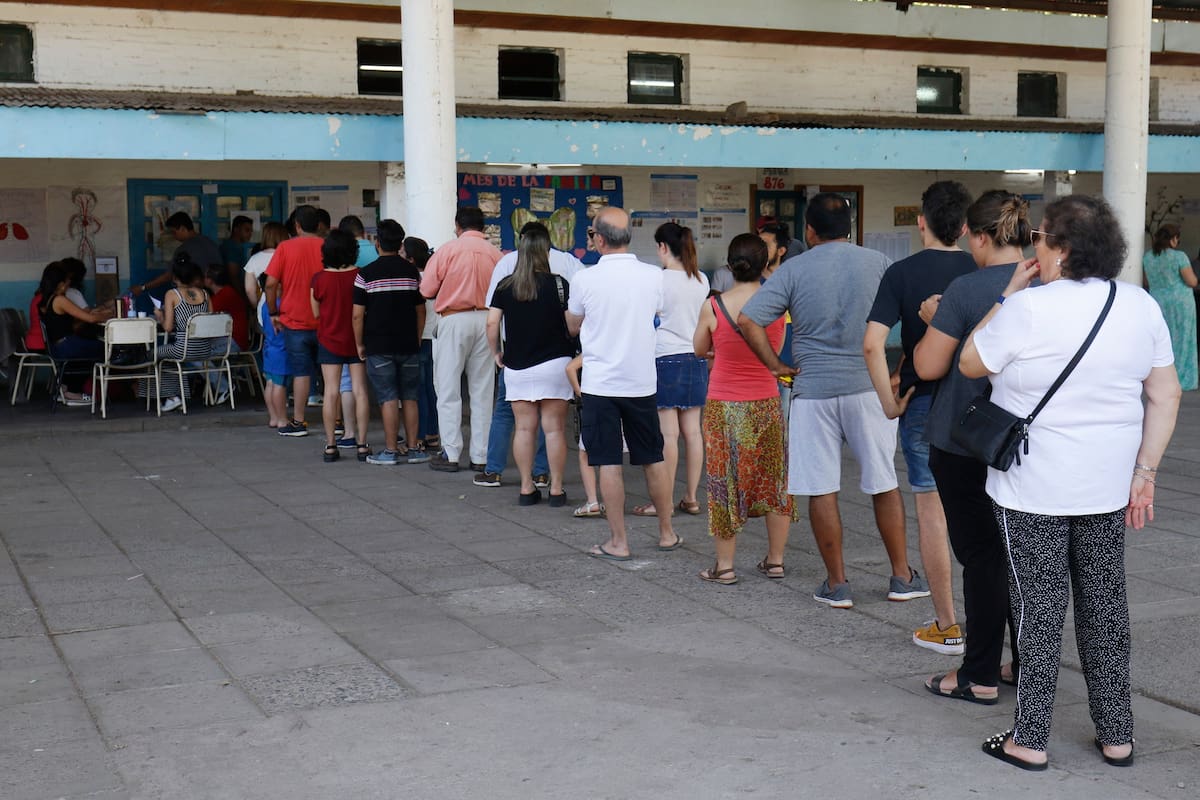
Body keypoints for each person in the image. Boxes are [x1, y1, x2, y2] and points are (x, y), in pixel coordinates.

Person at [959, 195, 1180, 771]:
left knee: (1039, 609)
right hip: (1107, 486)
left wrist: (1007, 294)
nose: (1033, 244)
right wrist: (1145, 472)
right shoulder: (1138, 307)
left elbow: (968, 363)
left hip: (1032, 488)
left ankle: (1029, 740)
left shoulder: (1028, 309)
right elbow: (1165, 394)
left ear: (1058, 247)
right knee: (1105, 608)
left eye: (1038, 236)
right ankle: (1117, 736)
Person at [739, 192, 927, 609]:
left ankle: (837, 584)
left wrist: (777, 366)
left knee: (821, 488)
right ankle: (901, 576)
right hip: (869, 388)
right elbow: (919, 315)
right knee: (884, 482)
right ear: (850, 227)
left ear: (809, 230)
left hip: (813, 392)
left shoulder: (794, 269)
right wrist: (901, 372)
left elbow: (748, 319)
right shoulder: (878, 263)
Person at [912, 189, 1029, 704]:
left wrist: (930, 321)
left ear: (978, 236)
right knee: (1027, 557)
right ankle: (1028, 665)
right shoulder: (1052, 283)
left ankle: (978, 673)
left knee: (981, 558)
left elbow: (927, 367)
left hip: (967, 438)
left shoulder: (965, 289)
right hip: (1031, 442)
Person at [864, 180, 974, 655]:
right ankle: (1002, 628)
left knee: (932, 512)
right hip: (979, 404)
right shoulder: (982, 270)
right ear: (967, 228)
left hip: (922, 403)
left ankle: (947, 624)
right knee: (991, 514)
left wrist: (888, 405)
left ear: (921, 221)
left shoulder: (901, 273)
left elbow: (871, 343)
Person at [566, 206, 682, 559]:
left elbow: (572, 325)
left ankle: (619, 541)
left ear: (599, 239)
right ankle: (666, 532)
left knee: (608, 462)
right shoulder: (653, 276)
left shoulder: (585, 279)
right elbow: (659, 313)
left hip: (600, 384)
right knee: (653, 458)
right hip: (641, 382)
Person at [692, 234, 794, 584]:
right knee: (774, 482)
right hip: (766, 402)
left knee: (724, 482)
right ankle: (776, 561)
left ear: (730, 265)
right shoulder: (776, 305)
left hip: (724, 406)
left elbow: (698, 348)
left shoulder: (715, 306)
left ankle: (725, 567)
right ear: (765, 264)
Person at [475, 221, 585, 489]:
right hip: (556, 363)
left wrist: (496, 353)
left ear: (521, 251)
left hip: (517, 364)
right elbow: (572, 325)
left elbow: (491, 324)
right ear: (547, 251)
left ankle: (526, 486)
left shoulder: (505, 285)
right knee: (554, 429)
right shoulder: (560, 284)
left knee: (523, 428)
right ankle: (556, 487)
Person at [632, 222, 709, 517]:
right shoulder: (701, 278)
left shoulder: (659, 280)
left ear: (663, 247)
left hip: (665, 357)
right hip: (696, 358)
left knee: (668, 434)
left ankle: (662, 501)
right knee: (692, 432)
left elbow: (647, 317)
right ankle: (691, 497)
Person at [419, 206, 502, 472]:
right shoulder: (496, 254)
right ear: (484, 228)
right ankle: (480, 456)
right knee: (482, 390)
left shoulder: (447, 251)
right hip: (488, 319)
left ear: (458, 226)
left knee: (448, 388)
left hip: (453, 319)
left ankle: (451, 452)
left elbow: (426, 289)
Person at [353, 219, 429, 466]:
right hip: (408, 343)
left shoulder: (366, 274)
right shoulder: (411, 272)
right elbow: (421, 310)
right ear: (400, 244)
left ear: (377, 243)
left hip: (378, 345)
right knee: (410, 396)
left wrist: (359, 344)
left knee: (387, 397)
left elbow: (357, 314)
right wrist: (417, 337)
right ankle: (413, 447)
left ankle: (390, 451)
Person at [264, 205, 325, 437]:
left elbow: (270, 284)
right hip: (324, 321)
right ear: (318, 225)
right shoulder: (326, 246)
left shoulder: (285, 247)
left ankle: (299, 422)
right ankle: (337, 421)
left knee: (301, 373)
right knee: (330, 374)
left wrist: (272, 312)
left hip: (294, 321)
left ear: (297, 226)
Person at [310, 230, 370, 463]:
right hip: (358, 341)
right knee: (360, 390)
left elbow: (316, 313)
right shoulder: (360, 276)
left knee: (331, 391)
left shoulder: (318, 279)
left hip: (328, 340)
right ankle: (362, 445)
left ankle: (331, 446)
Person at [36, 262, 112, 405]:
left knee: (93, 348)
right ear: (60, 283)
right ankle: (73, 391)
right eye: (67, 280)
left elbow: (80, 314)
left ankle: (65, 386)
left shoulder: (48, 299)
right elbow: (90, 318)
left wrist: (95, 313)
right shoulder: (60, 300)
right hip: (67, 346)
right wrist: (110, 314)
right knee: (105, 349)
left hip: (58, 347)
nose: (69, 283)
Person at [146, 255, 211, 413]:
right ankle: (176, 396)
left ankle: (172, 397)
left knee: (152, 354)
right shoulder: (205, 294)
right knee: (167, 355)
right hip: (205, 349)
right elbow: (210, 322)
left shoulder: (172, 294)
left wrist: (160, 317)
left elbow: (168, 328)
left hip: (183, 348)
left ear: (175, 278)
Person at [1143, 223, 1197, 391]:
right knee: (1182, 340)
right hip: (1181, 304)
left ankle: (1159, 378)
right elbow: (1191, 281)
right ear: (1173, 239)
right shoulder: (1179, 256)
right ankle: (1181, 378)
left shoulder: (1148, 257)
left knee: (1160, 340)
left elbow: (1146, 282)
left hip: (1158, 301)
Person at [133, 211, 222, 300]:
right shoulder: (210, 243)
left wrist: (143, 287)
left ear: (183, 228)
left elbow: (168, 276)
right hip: (216, 294)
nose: (173, 236)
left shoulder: (184, 249)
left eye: (174, 232)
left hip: (192, 296)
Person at [404, 236, 440, 453]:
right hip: (435, 336)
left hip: (419, 336)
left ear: (409, 258)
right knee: (431, 387)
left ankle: (420, 434)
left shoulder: (412, 278)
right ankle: (433, 433)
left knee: (418, 388)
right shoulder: (435, 275)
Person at [257, 272, 290, 428]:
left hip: (269, 349)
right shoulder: (278, 305)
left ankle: (274, 417)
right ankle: (282, 419)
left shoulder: (265, 306)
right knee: (279, 385)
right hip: (280, 350)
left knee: (270, 383)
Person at [244, 222, 289, 307]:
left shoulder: (255, 259)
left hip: (266, 304)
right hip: (289, 304)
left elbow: (249, 289)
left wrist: (257, 305)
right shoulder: (290, 256)